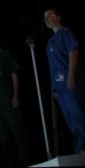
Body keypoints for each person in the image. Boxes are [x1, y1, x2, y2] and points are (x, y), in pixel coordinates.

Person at [0, 31, 30, 168]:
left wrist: (15, 96)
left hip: (7, 98)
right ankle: (10, 162)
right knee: (2, 134)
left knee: (17, 130)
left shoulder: (6, 55)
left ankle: (24, 160)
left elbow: (14, 74)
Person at [44, 8, 85, 153]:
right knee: (71, 120)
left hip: (70, 82)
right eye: (45, 17)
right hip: (59, 88)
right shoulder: (50, 43)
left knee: (78, 115)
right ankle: (80, 150)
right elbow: (53, 67)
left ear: (59, 17)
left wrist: (71, 75)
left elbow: (73, 52)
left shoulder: (65, 33)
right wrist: (54, 88)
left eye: (50, 15)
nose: (48, 18)